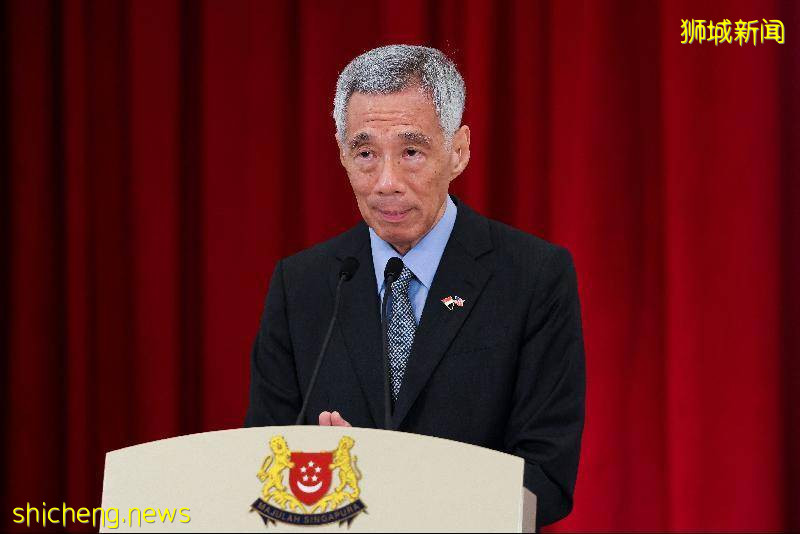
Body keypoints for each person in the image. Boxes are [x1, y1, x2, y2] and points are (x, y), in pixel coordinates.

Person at [244, 44, 585, 526]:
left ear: (458, 151)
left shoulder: (532, 277)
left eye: (411, 152)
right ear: (342, 154)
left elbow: (546, 479)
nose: (387, 181)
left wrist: (386, 481)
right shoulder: (302, 286)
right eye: (366, 153)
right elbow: (263, 460)